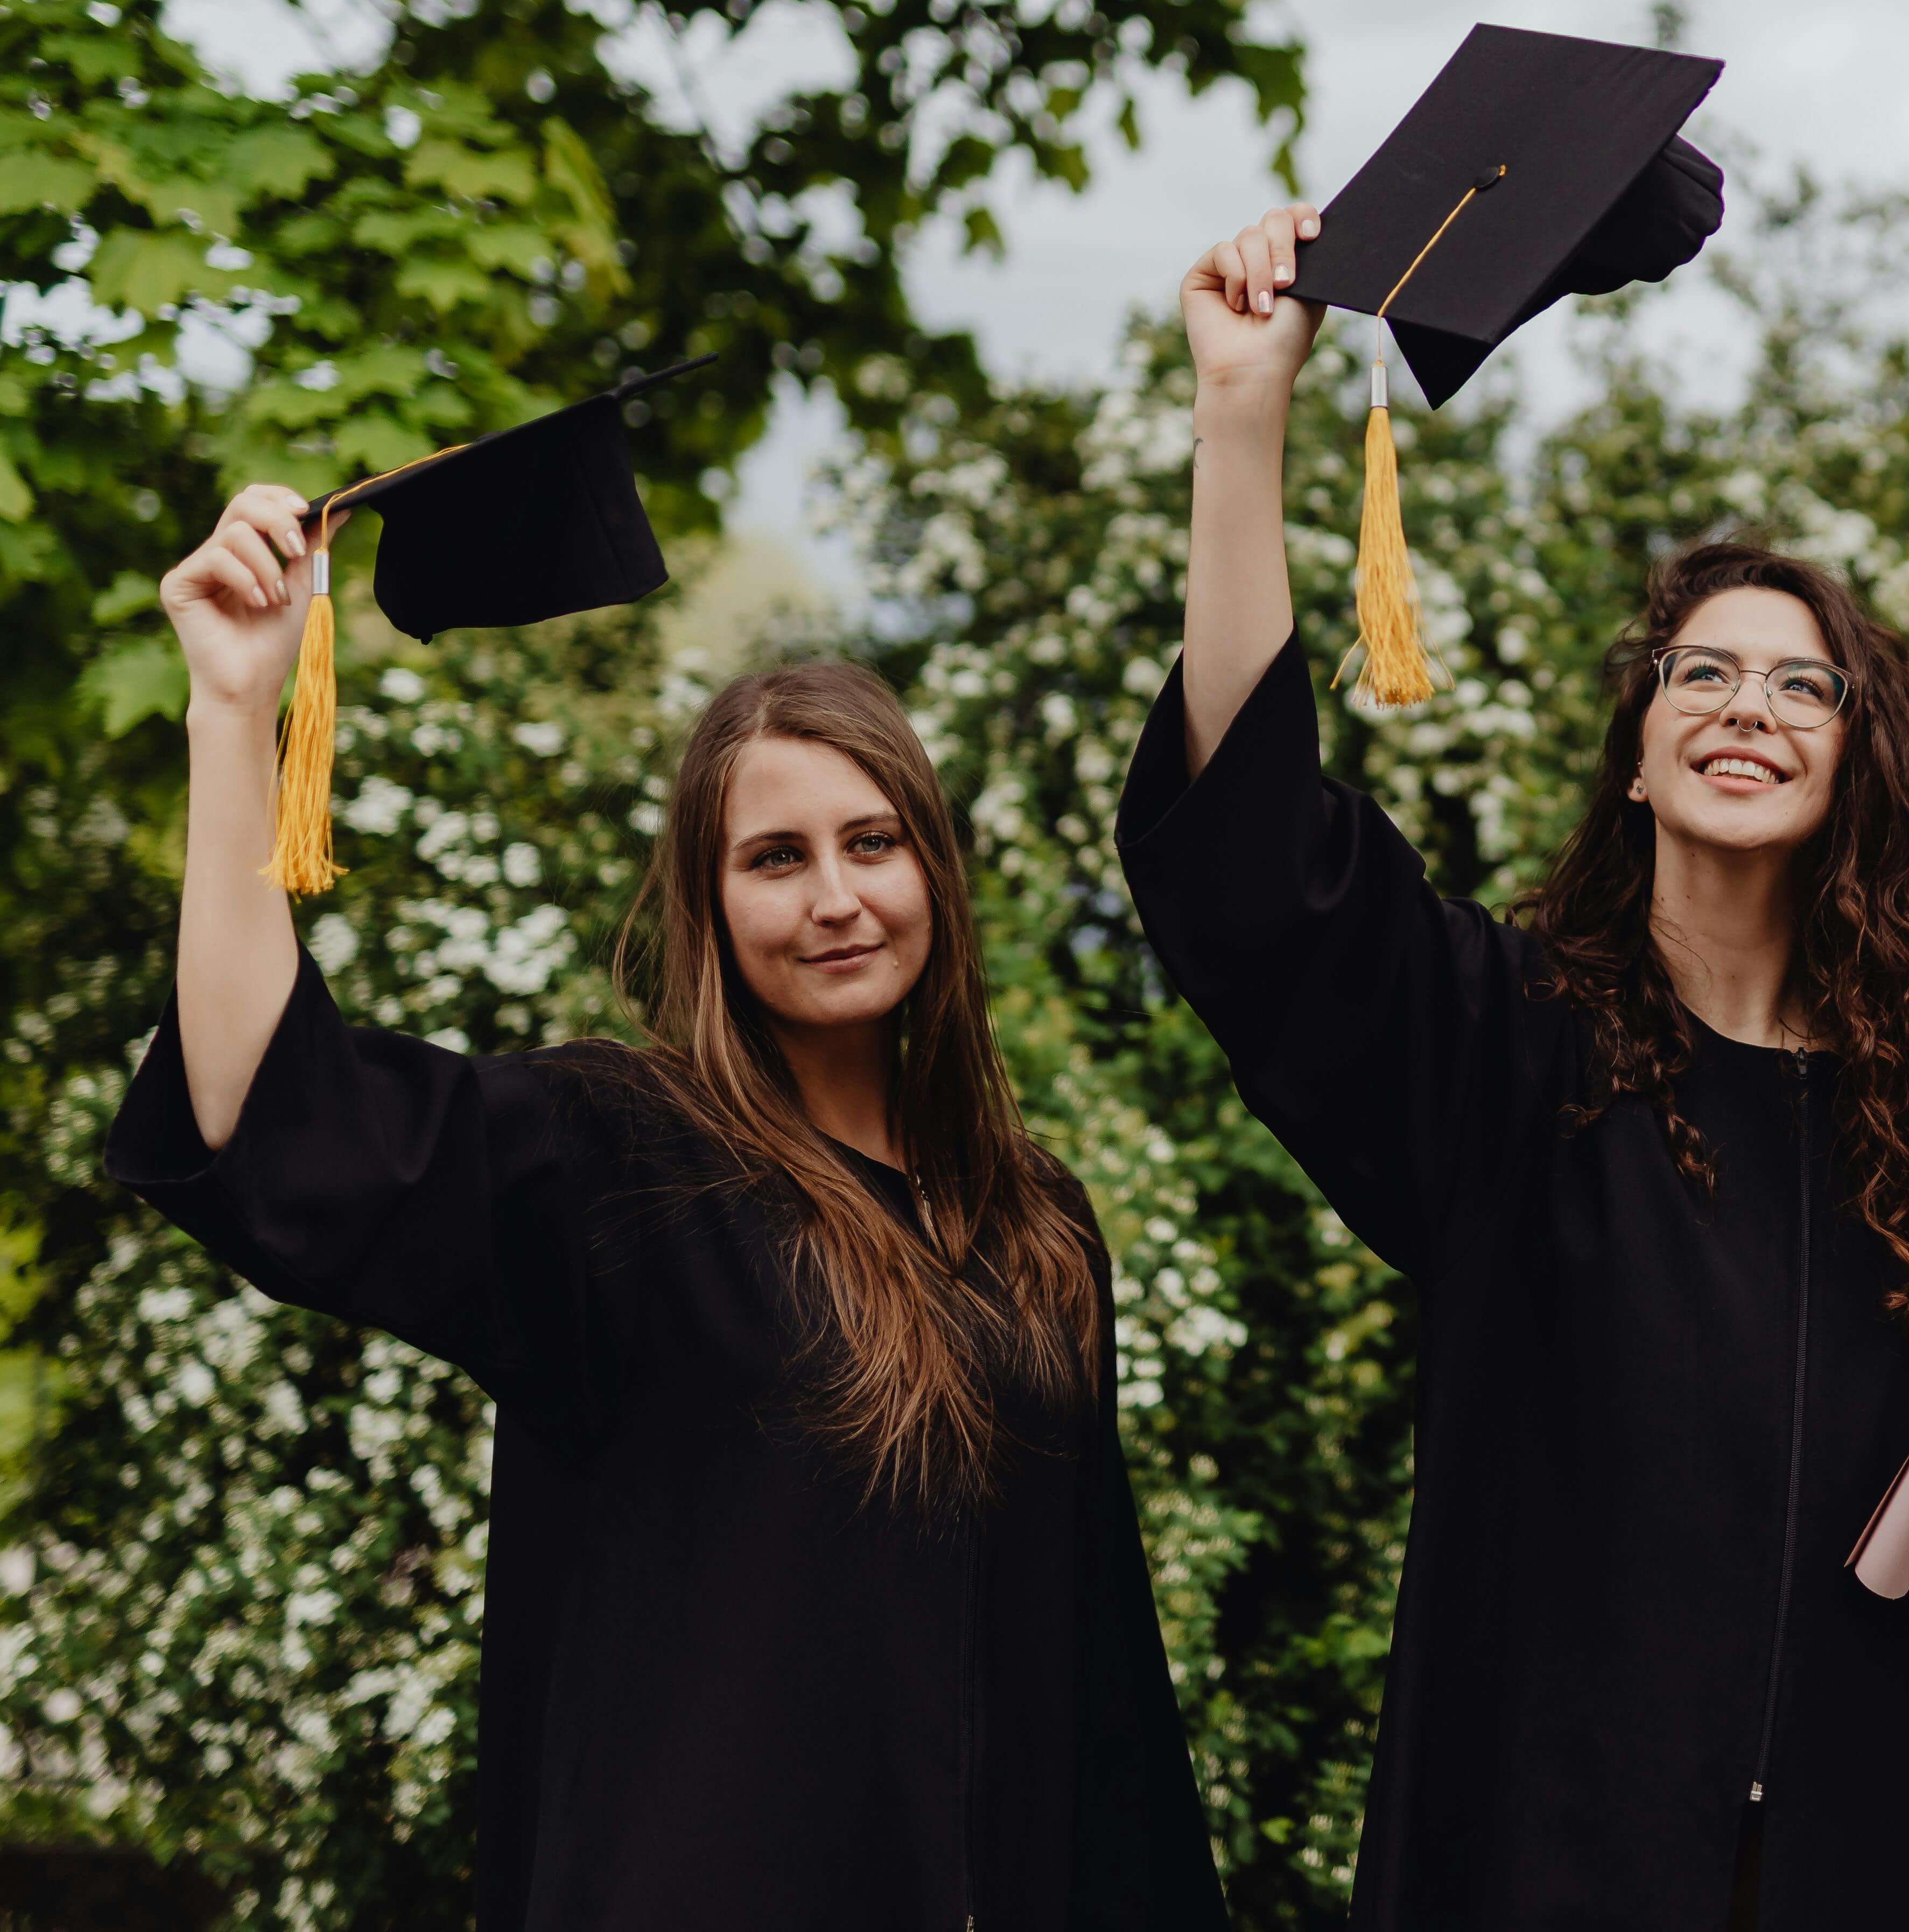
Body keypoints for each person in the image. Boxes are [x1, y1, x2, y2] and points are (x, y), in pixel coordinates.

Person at [1120, 203, 1909, 1931]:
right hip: (1544, 1850)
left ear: (1855, 765)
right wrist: (1242, 420)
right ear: (1637, 752)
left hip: (1870, 1862)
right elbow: (1257, 863)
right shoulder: (1506, 1044)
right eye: (1700, 671)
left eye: (1806, 687)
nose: (1748, 706)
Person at [111, 485, 1226, 1931]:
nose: (835, 895)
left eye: (872, 842)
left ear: (936, 873)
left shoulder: (1035, 1222)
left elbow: (1103, 1682)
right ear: (709, 903)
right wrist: (231, 714)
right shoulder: (617, 1163)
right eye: (776, 858)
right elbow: (271, 1112)